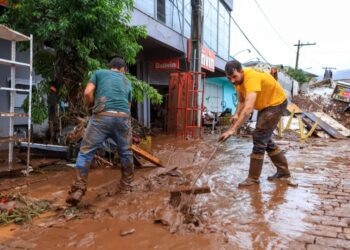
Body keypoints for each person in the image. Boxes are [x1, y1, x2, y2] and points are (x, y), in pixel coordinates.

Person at [66, 57, 134, 205]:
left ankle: (78, 189)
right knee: (126, 152)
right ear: (122, 69)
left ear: (111, 67)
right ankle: (126, 187)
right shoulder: (127, 82)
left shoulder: (99, 73)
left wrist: (91, 107)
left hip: (101, 116)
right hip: (122, 118)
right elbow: (128, 106)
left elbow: (87, 93)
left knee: (86, 152)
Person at [219, 60, 290, 187]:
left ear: (241, 71)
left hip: (276, 104)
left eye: (234, 77)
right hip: (266, 106)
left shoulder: (251, 78)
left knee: (259, 138)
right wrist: (236, 114)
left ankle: (253, 179)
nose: (232, 81)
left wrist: (232, 129)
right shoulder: (238, 81)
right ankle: (283, 171)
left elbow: (248, 109)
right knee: (264, 139)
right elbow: (241, 101)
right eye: (229, 78)